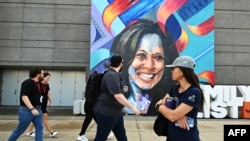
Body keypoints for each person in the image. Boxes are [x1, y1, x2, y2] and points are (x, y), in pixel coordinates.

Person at [110, 19, 179, 115]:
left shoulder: (171, 101)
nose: (150, 66)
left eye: (158, 57)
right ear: (125, 59)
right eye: (141, 55)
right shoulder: (113, 100)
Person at [155, 56, 204, 141]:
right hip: (171, 137)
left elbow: (171, 115)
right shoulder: (174, 88)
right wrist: (179, 115)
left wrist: (159, 107)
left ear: (181, 71)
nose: (171, 71)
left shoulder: (194, 92)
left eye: (174, 68)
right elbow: (163, 103)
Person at [93, 55, 140, 141]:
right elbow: (117, 95)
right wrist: (132, 107)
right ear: (120, 64)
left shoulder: (114, 75)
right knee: (101, 137)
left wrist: (121, 107)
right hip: (107, 113)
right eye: (122, 62)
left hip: (116, 112)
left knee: (122, 136)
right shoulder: (111, 75)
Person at [8, 67, 44, 141]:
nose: (43, 75)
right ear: (38, 74)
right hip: (27, 110)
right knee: (20, 129)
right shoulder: (28, 82)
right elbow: (24, 97)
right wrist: (32, 108)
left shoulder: (39, 84)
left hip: (38, 109)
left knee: (40, 129)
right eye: (42, 74)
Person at [77, 70, 113, 141]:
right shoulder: (97, 82)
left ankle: (106, 133)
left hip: (91, 104)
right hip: (91, 105)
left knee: (98, 120)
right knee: (89, 119)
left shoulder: (92, 82)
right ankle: (81, 134)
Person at [25, 72, 58, 137]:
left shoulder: (47, 85)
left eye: (49, 77)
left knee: (36, 118)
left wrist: (51, 101)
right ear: (43, 77)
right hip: (39, 103)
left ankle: (29, 132)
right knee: (45, 117)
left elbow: (48, 93)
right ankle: (51, 132)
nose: (49, 79)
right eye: (47, 77)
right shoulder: (39, 84)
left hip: (44, 102)